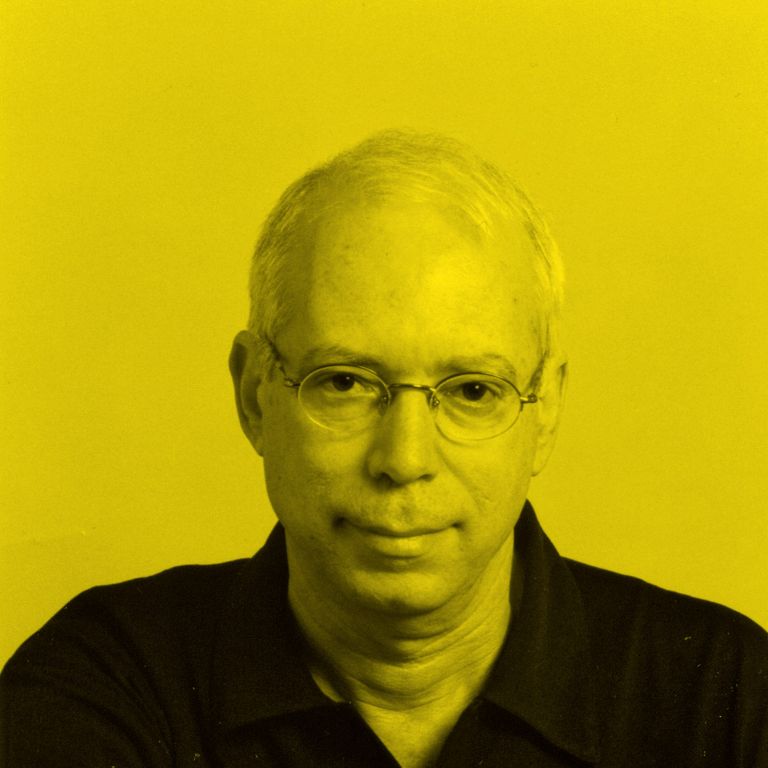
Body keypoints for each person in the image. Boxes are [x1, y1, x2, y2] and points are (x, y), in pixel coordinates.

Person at [1, 130, 766, 767]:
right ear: (255, 394)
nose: (403, 460)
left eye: (472, 391)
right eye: (345, 383)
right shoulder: (103, 683)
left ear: (546, 410)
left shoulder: (727, 697)